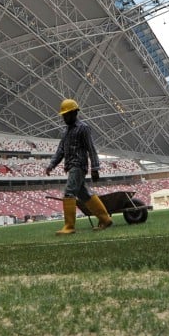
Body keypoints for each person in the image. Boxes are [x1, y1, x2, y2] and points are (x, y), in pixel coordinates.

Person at [45, 98, 113, 235]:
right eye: (63, 115)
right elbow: (61, 151)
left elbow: (91, 148)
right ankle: (105, 219)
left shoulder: (83, 128)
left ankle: (69, 227)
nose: (64, 117)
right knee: (85, 194)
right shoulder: (65, 132)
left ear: (74, 113)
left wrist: (95, 168)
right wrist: (52, 164)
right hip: (71, 166)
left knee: (69, 192)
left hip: (78, 166)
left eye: (66, 114)